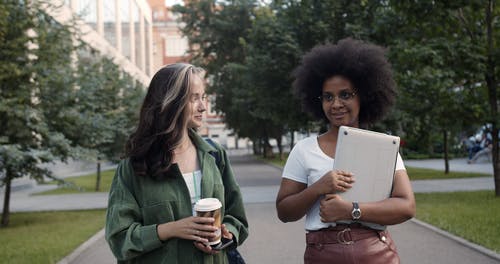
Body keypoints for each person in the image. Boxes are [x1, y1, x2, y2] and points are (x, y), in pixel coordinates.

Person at [276, 38, 416, 264]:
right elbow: (284, 211)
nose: (336, 104)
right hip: (323, 254)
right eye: (328, 97)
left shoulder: (383, 147)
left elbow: (406, 206)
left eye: (345, 94)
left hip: (376, 254)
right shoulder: (304, 150)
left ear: (364, 96)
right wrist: (318, 188)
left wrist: (351, 210)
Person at [105, 63, 248, 263]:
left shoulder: (214, 155)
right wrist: (170, 229)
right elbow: (119, 238)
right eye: (194, 98)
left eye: (203, 97)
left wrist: (226, 235)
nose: (203, 107)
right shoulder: (134, 165)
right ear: (171, 102)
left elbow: (236, 217)